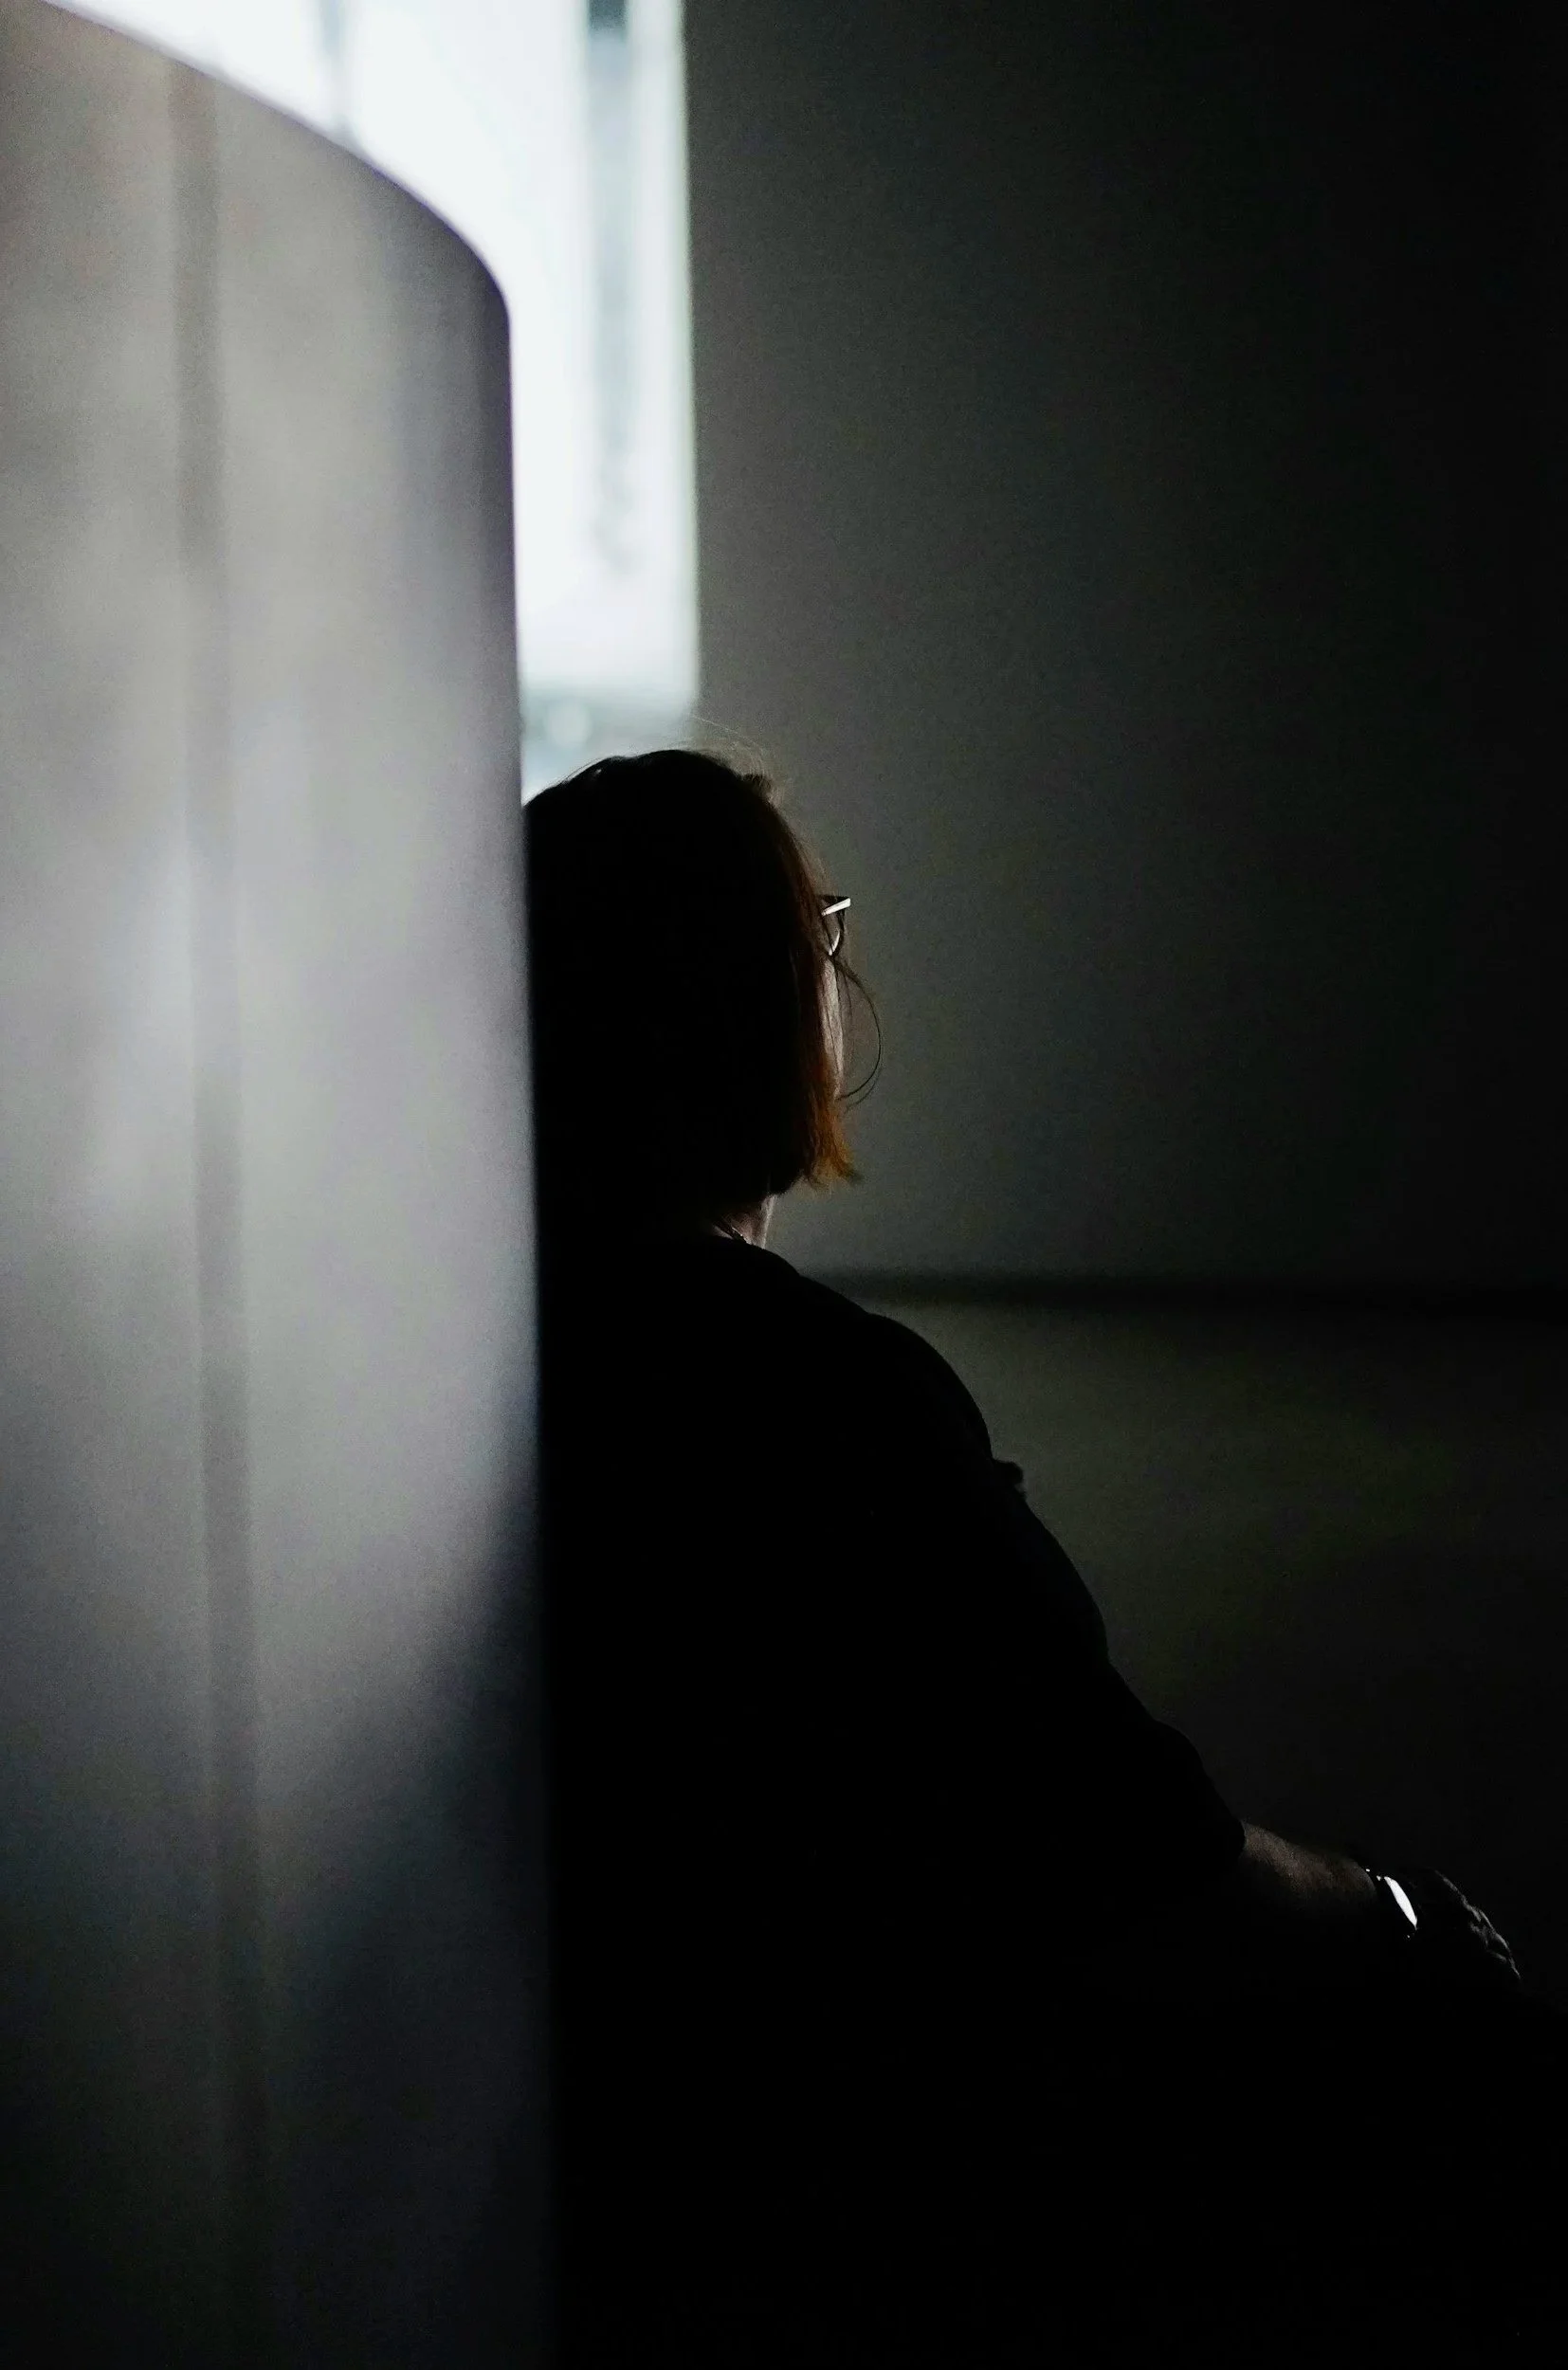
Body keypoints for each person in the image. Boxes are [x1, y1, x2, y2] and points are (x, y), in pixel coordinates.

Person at [525, 749, 1566, 2367]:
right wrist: (1415, 1927)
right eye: (818, 935)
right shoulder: (823, 1407)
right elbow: (1147, 1877)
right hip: (840, 2166)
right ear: (764, 1001)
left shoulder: (505, 1360)